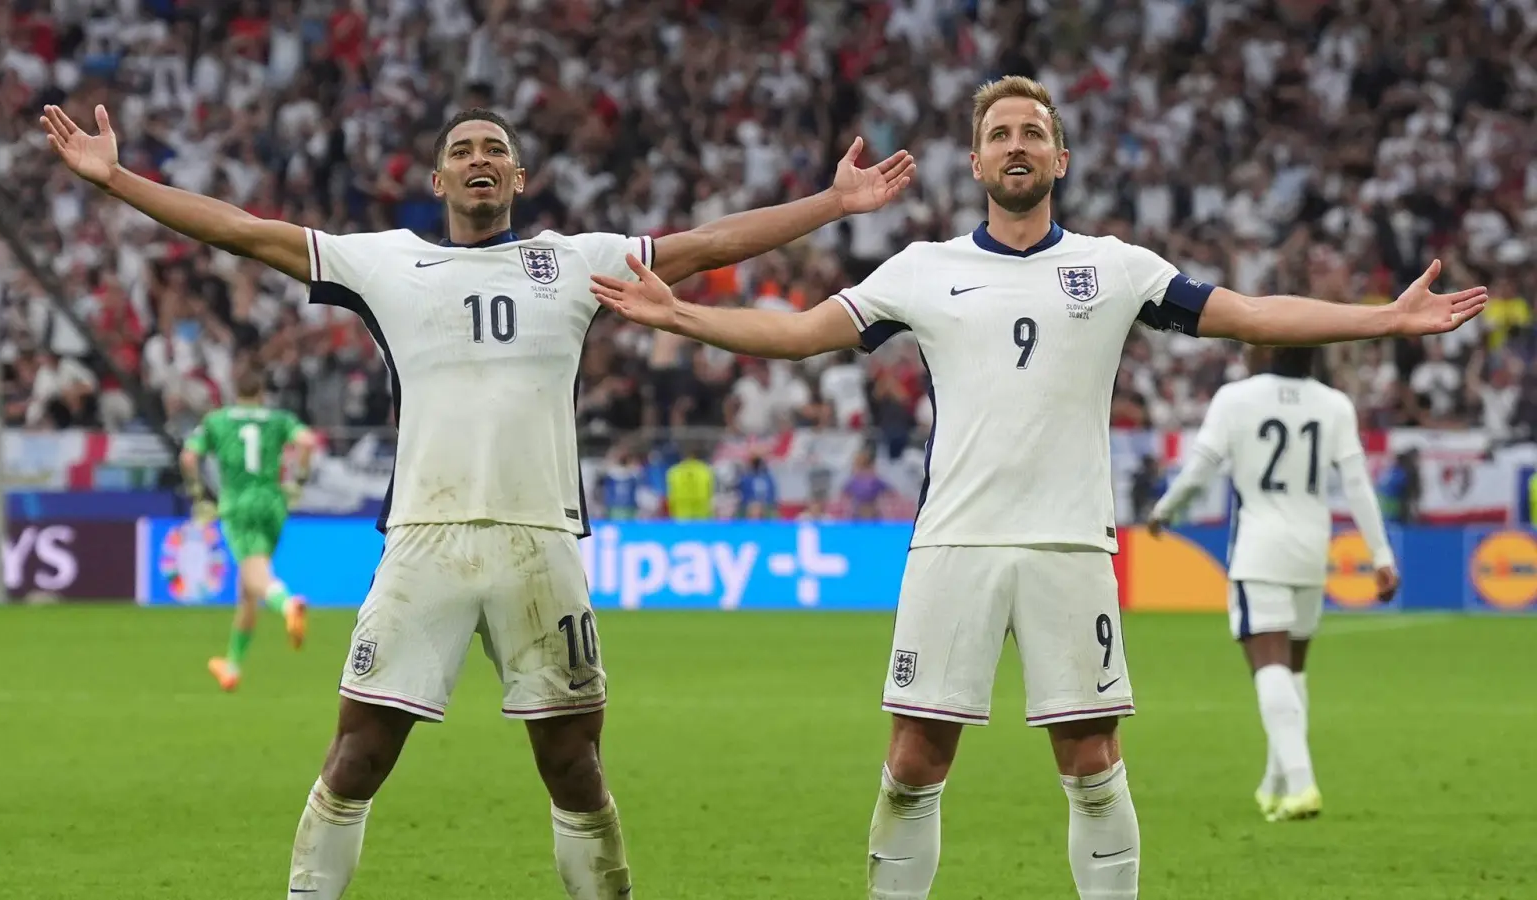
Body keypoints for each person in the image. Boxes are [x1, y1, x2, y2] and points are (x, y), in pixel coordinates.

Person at [587, 76, 1485, 900]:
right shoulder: (921, 269)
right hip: (954, 548)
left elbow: (1248, 312)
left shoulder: (1119, 266)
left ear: (1060, 158)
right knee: (912, 760)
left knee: (1093, 759)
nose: (1016, 145)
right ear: (976, 161)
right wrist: (684, 315)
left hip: (1070, 549)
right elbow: (804, 333)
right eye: (1000, 134)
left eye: (1033, 133)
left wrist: (1385, 320)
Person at [41, 102, 913, 899]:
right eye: (462, 151)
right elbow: (242, 230)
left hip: (542, 544)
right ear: (439, 180)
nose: (479, 159)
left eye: (496, 149)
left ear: (519, 178)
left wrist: (830, 205)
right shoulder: (386, 260)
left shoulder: (575, 262)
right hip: (425, 540)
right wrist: (117, 180)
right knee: (357, 756)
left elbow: (707, 244)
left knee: (574, 765)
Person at [1145, 346, 1398, 822]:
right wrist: (1381, 555)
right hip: (1310, 548)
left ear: (1264, 347)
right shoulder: (1334, 403)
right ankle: (1275, 784)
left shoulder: (1235, 398)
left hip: (1259, 548)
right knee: (1294, 669)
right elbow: (1359, 484)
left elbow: (1200, 469)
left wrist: (1163, 511)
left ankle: (1302, 784)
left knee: (1268, 666)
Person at [180, 368, 318, 692]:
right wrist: (297, 482)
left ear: (234, 391)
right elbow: (307, 442)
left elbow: (188, 457)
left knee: (256, 573)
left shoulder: (217, 420)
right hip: (273, 501)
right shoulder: (279, 419)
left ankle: (287, 605)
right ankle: (232, 665)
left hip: (238, 504)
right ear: (261, 393)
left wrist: (199, 496)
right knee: (247, 589)